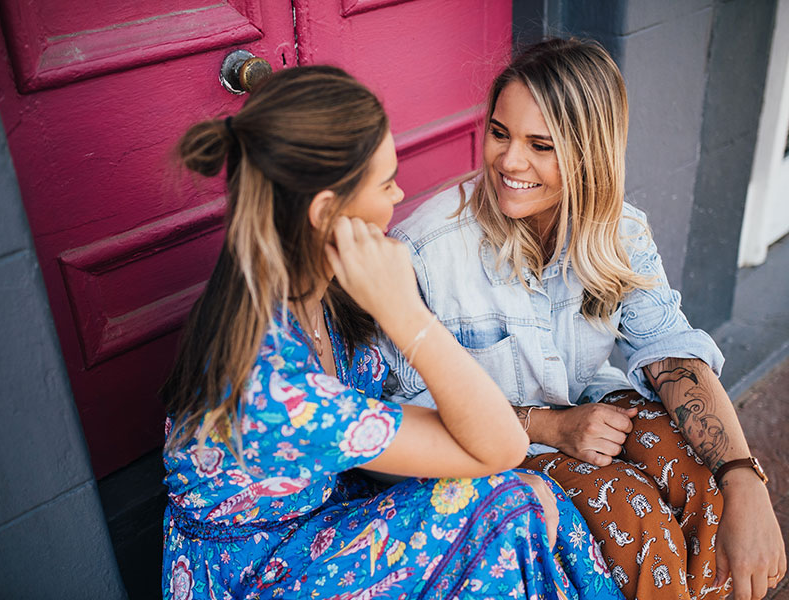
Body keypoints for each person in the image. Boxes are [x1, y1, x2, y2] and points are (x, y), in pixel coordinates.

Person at [160, 65, 624, 600]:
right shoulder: (272, 383)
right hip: (258, 571)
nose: (400, 194)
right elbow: (500, 445)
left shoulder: (319, 293)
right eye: (385, 183)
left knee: (532, 495)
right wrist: (407, 316)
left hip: (322, 513)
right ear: (327, 212)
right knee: (508, 504)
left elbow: (480, 440)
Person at [379, 38, 786, 600]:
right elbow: (393, 414)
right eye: (500, 133)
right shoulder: (425, 248)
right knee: (632, 515)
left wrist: (745, 480)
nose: (509, 161)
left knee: (704, 485)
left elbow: (669, 350)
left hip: (587, 410)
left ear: (589, 151)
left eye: (540, 145)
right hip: (487, 452)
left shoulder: (618, 231)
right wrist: (547, 426)